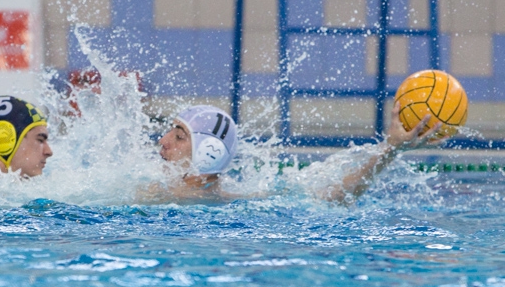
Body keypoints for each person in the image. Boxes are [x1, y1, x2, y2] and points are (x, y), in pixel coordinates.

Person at [152, 103, 442, 204]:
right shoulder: (152, 190)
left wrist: (389, 150)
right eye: (170, 131)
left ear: (209, 154)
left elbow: (336, 198)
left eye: (179, 137)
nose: (163, 142)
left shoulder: (232, 202)